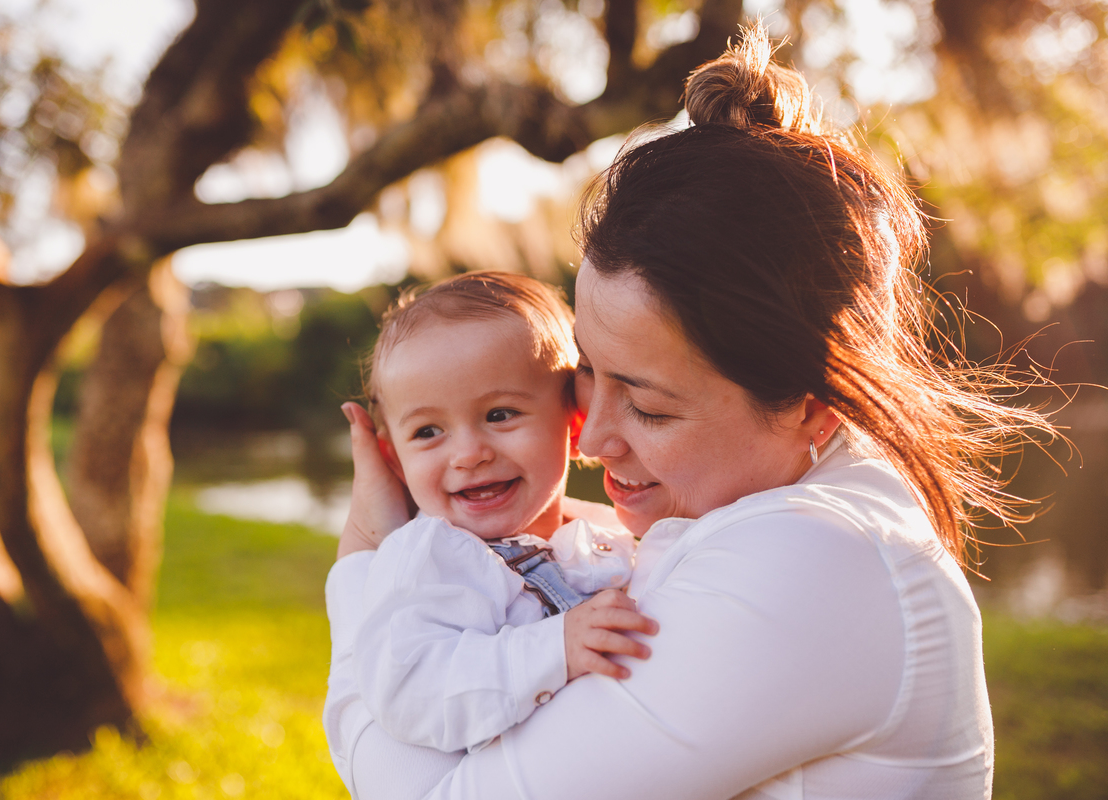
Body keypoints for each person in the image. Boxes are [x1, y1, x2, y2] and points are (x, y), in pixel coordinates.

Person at [326, 25, 1055, 800]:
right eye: (586, 378)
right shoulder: (756, 508)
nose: (595, 436)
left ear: (814, 407)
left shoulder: (811, 562)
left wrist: (364, 559)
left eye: (647, 406)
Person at [324, 272, 655, 798]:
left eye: (499, 415)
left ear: (574, 425)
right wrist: (553, 649)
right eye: (428, 431)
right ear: (393, 457)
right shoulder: (429, 560)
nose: (469, 453)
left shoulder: (609, 536)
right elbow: (408, 689)